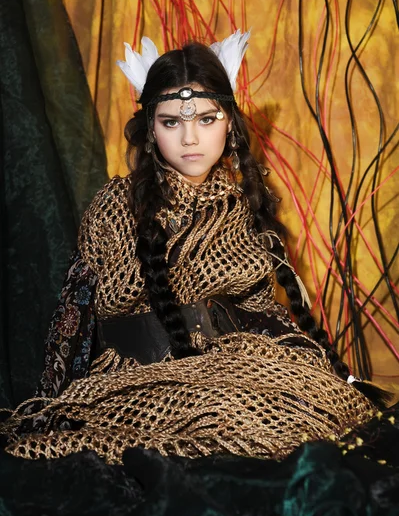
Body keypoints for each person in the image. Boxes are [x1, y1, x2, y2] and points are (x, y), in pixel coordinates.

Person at [1, 31, 381, 465]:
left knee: (308, 426)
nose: (189, 139)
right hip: (137, 381)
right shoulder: (115, 206)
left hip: (237, 368)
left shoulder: (243, 210)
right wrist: (53, 402)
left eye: (205, 119)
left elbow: (264, 313)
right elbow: (75, 313)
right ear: (150, 130)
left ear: (229, 125)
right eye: (171, 122)